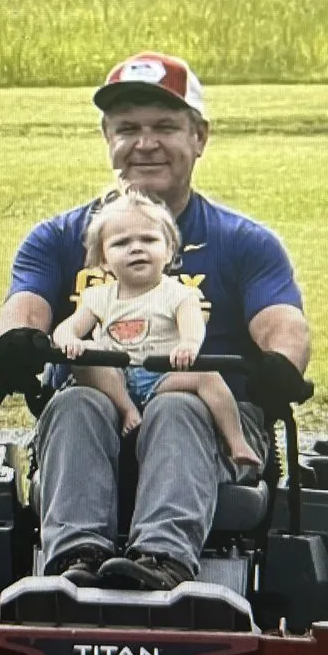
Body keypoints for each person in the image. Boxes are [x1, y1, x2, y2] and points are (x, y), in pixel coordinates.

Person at [0, 50, 312, 591]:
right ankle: (73, 563)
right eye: (128, 128)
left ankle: (164, 564)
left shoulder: (244, 242)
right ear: (107, 138)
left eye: (165, 126)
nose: (145, 143)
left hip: (207, 415)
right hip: (91, 412)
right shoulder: (57, 238)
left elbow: (283, 322)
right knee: (74, 399)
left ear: (199, 137)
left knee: (179, 404)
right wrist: (18, 340)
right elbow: (23, 308)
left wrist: (282, 363)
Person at [51, 186, 262, 467]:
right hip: (115, 378)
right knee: (85, 358)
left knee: (208, 376)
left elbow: (193, 326)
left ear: (168, 251)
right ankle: (127, 410)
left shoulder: (179, 294)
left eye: (149, 239)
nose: (136, 248)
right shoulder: (98, 297)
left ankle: (236, 442)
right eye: (121, 243)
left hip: (161, 376)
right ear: (103, 260)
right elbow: (67, 329)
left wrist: (188, 344)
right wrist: (70, 340)